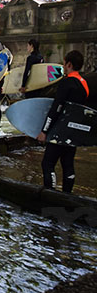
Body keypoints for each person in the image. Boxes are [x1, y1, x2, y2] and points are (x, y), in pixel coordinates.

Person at [37, 51, 89, 193]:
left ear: (69, 64)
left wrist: (44, 131)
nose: (63, 67)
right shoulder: (84, 84)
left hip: (61, 130)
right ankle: (67, 195)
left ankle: (51, 193)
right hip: (74, 132)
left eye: (64, 64)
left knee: (47, 163)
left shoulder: (66, 82)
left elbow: (56, 108)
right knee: (67, 164)